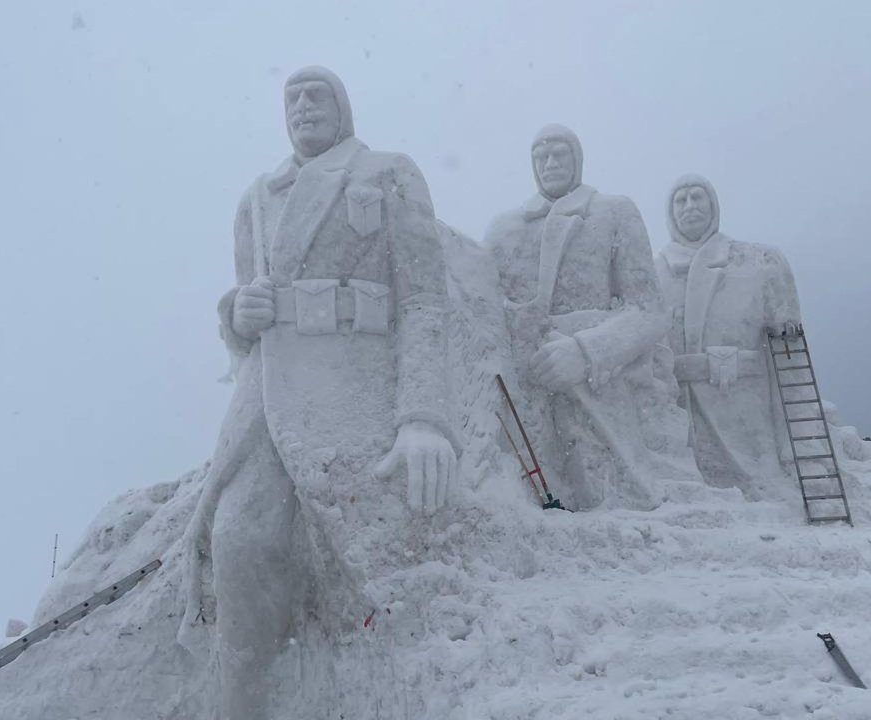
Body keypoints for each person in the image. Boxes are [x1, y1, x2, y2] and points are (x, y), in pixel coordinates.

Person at [177, 66, 457, 720]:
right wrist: (237, 315)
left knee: (378, 559)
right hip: (271, 394)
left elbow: (424, 302)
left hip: (358, 388)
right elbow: (249, 312)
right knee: (239, 538)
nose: (303, 107)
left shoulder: (388, 171)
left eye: (316, 95)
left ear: (343, 108)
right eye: (292, 98)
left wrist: (422, 417)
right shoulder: (258, 195)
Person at [485, 124, 696, 511]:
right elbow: (484, 310)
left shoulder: (613, 211)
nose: (549, 163)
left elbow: (649, 310)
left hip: (599, 383)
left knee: (618, 500)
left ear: (577, 160)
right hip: (526, 385)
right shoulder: (504, 230)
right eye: (540, 156)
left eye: (559, 154)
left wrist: (587, 352)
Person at [656, 174, 802, 501]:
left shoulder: (756, 260)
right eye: (681, 200)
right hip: (683, 399)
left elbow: (786, 326)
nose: (690, 207)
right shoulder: (656, 271)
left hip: (742, 394)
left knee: (762, 482)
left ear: (713, 205)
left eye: (698, 197)